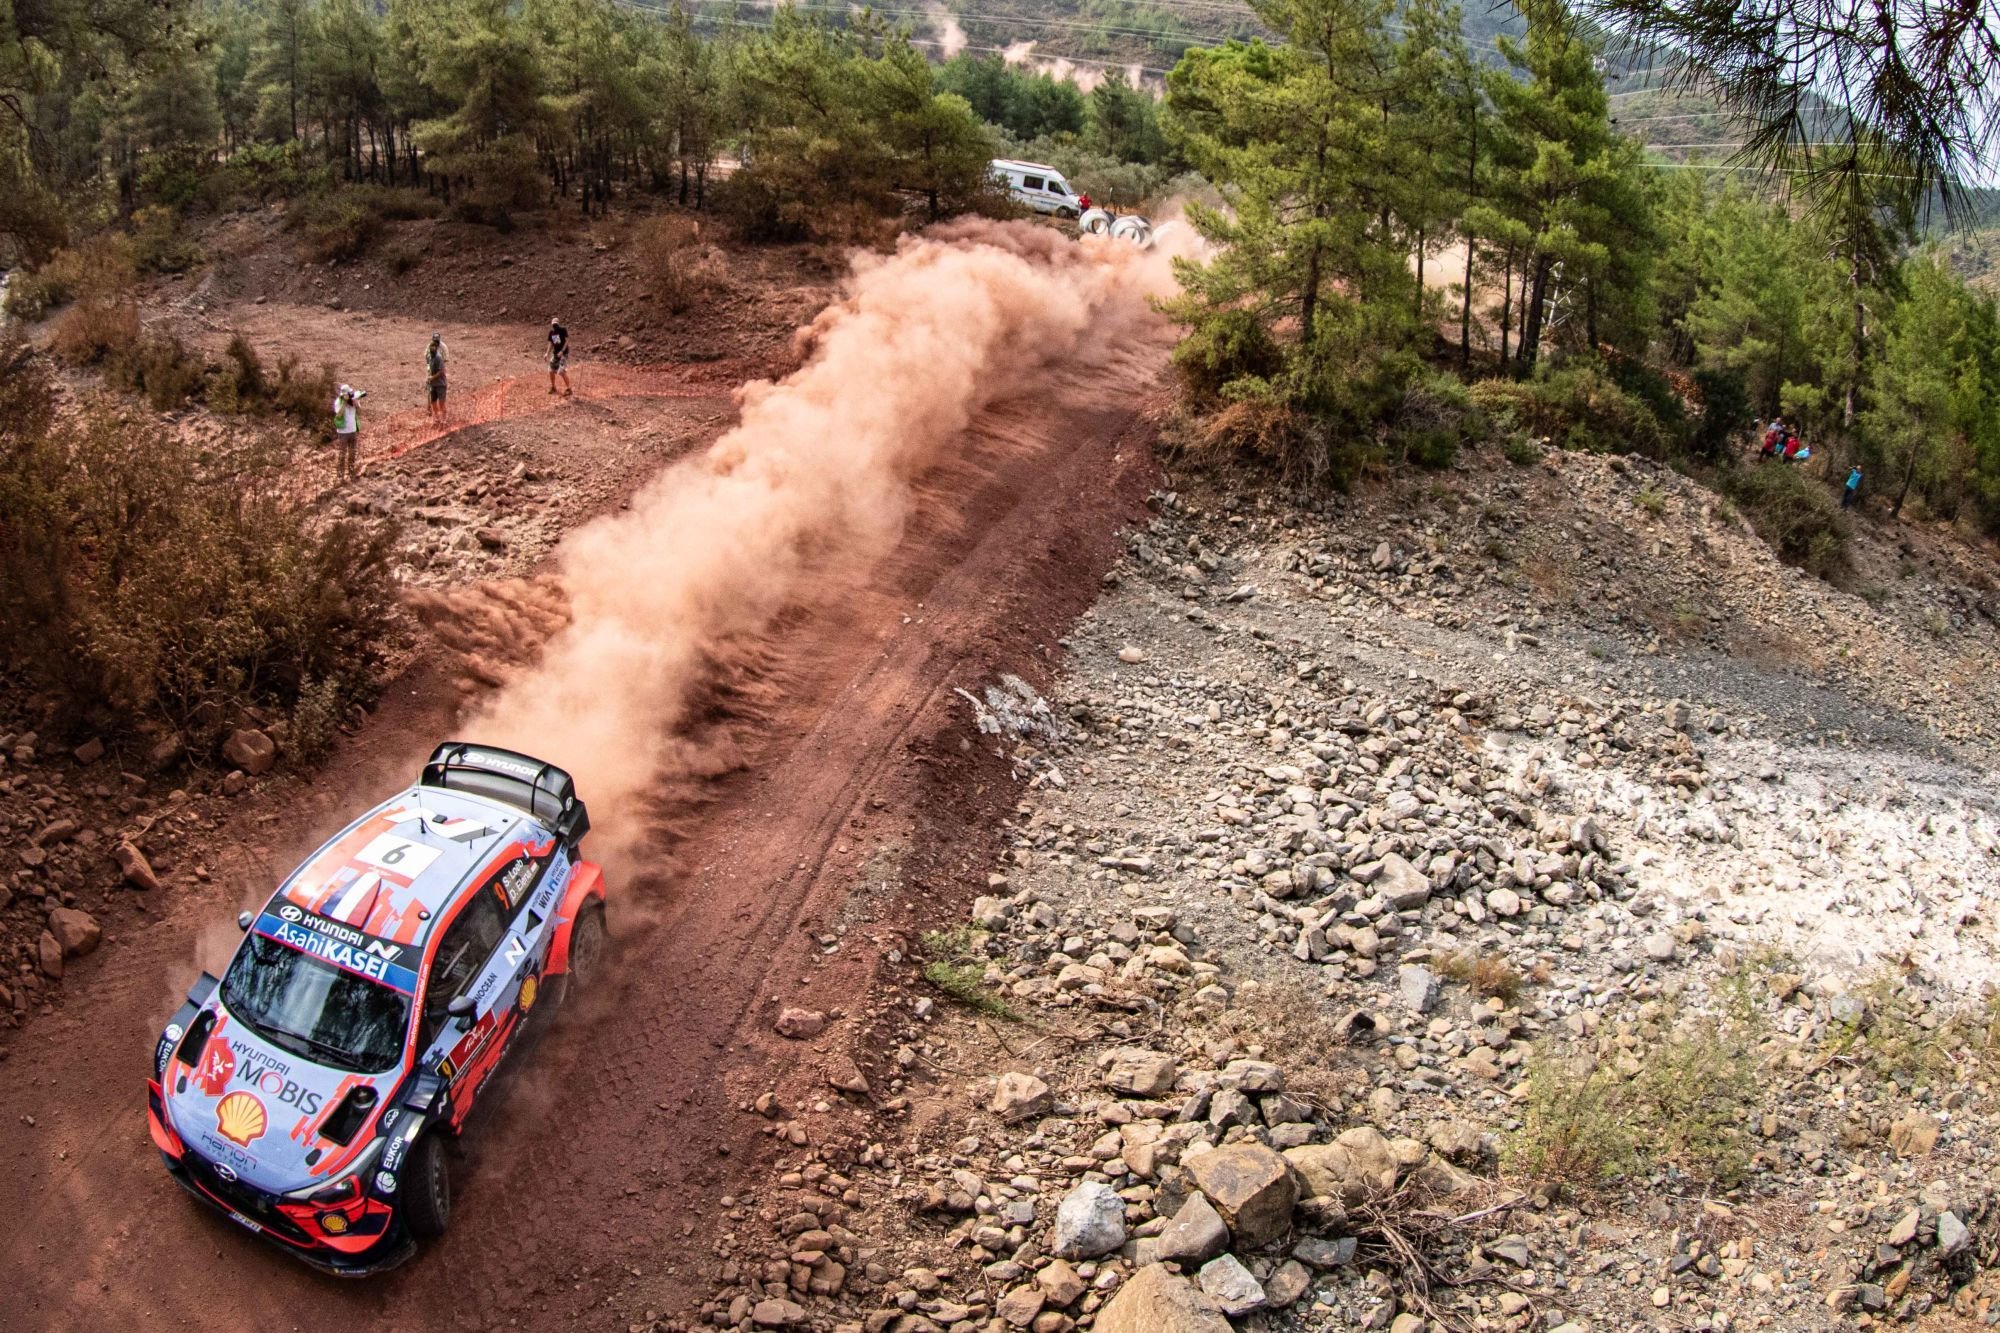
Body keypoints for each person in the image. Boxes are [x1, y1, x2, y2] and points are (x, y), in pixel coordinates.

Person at [331, 383, 364, 481]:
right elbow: (339, 415)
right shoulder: (338, 402)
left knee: (352, 453)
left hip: (353, 430)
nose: (349, 394)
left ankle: (351, 472)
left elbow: (359, 409)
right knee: (342, 453)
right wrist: (344, 403)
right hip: (343, 432)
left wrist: (355, 401)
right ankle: (340, 476)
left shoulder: (352, 400)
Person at [425, 333, 448, 424]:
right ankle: (436, 418)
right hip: (432, 383)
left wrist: (432, 377)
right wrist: (429, 377)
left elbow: (442, 371)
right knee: (433, 402)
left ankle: (444, 419)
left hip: (440, 384)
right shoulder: (429, 355)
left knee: (441, 403)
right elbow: (428, 364)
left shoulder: (439, 357)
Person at [547, 317, 571, 396]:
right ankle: (553, 387)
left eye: (556, 324)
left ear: (558, 323)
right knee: (550, 370)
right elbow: (551, 344)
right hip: (555, 354)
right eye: (553, 324)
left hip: (563, 354)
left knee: (561, 371)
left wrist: (562, 351)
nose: (555, 326)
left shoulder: (563, 330)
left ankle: (569, 389)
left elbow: (567, 341)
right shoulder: (551, 332)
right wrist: (547, 353)